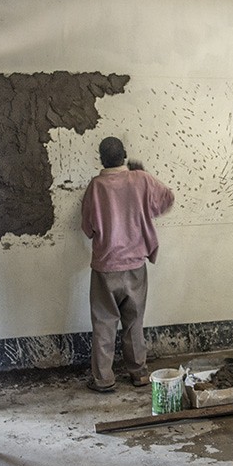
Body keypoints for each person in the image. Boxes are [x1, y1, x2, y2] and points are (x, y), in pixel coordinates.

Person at [81, 137, 174, 392]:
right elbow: (167, 199)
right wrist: (143, 173)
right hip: (135, 265)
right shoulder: (141, 179)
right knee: (134, 322)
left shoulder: (95, 186)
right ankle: (139, 373)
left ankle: (103, 379)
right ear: (124, 155)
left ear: (101, 159)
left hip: (105, 267)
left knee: (104, 323)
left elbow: (87, 228)